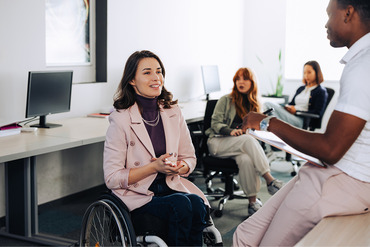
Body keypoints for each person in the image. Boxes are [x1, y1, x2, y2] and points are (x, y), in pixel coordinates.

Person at [234, 0, 370, 246]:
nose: (326, 24)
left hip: (343, 179)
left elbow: (332, 149)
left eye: (329, 15)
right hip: (326, 171)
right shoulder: (360, 61)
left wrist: (268, 123)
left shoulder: (363, 66)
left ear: (348, 13)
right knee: (244, 235)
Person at [104, 50, 209, 246]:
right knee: (182, 205)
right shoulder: (121, 118)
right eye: (147, 72)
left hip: (170, 185)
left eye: (159, 71)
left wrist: (181, 167)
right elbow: (111, 178)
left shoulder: (172, 111)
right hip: (137, 195)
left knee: (196, 203)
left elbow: (190, 158)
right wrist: (153, 168)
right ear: (132, 80)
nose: (156, 77)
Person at [205, 67, 284, 216]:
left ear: (252, 82)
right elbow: (215, 123)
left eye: (245, 79)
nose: (241, 82)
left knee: (246, 159)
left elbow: (255, 132)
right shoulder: (226, 100)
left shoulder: (255, 104)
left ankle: (252, 202)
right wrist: (230, 131)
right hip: (218, 142)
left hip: (239, 146)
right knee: (246, 140)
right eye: (238, 79)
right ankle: (269, 179)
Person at [264, 60, 328, 129]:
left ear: (317, 73)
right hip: (290, 115)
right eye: (304, 73)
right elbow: (292, 103)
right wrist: (287, 107)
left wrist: (296, 111)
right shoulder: (301, 88)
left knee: (268, 105)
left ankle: (269, 129)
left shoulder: (321, 91)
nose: (306, 75)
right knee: (270, 110)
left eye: (309, 72)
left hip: (301, 120)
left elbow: (317, 112)